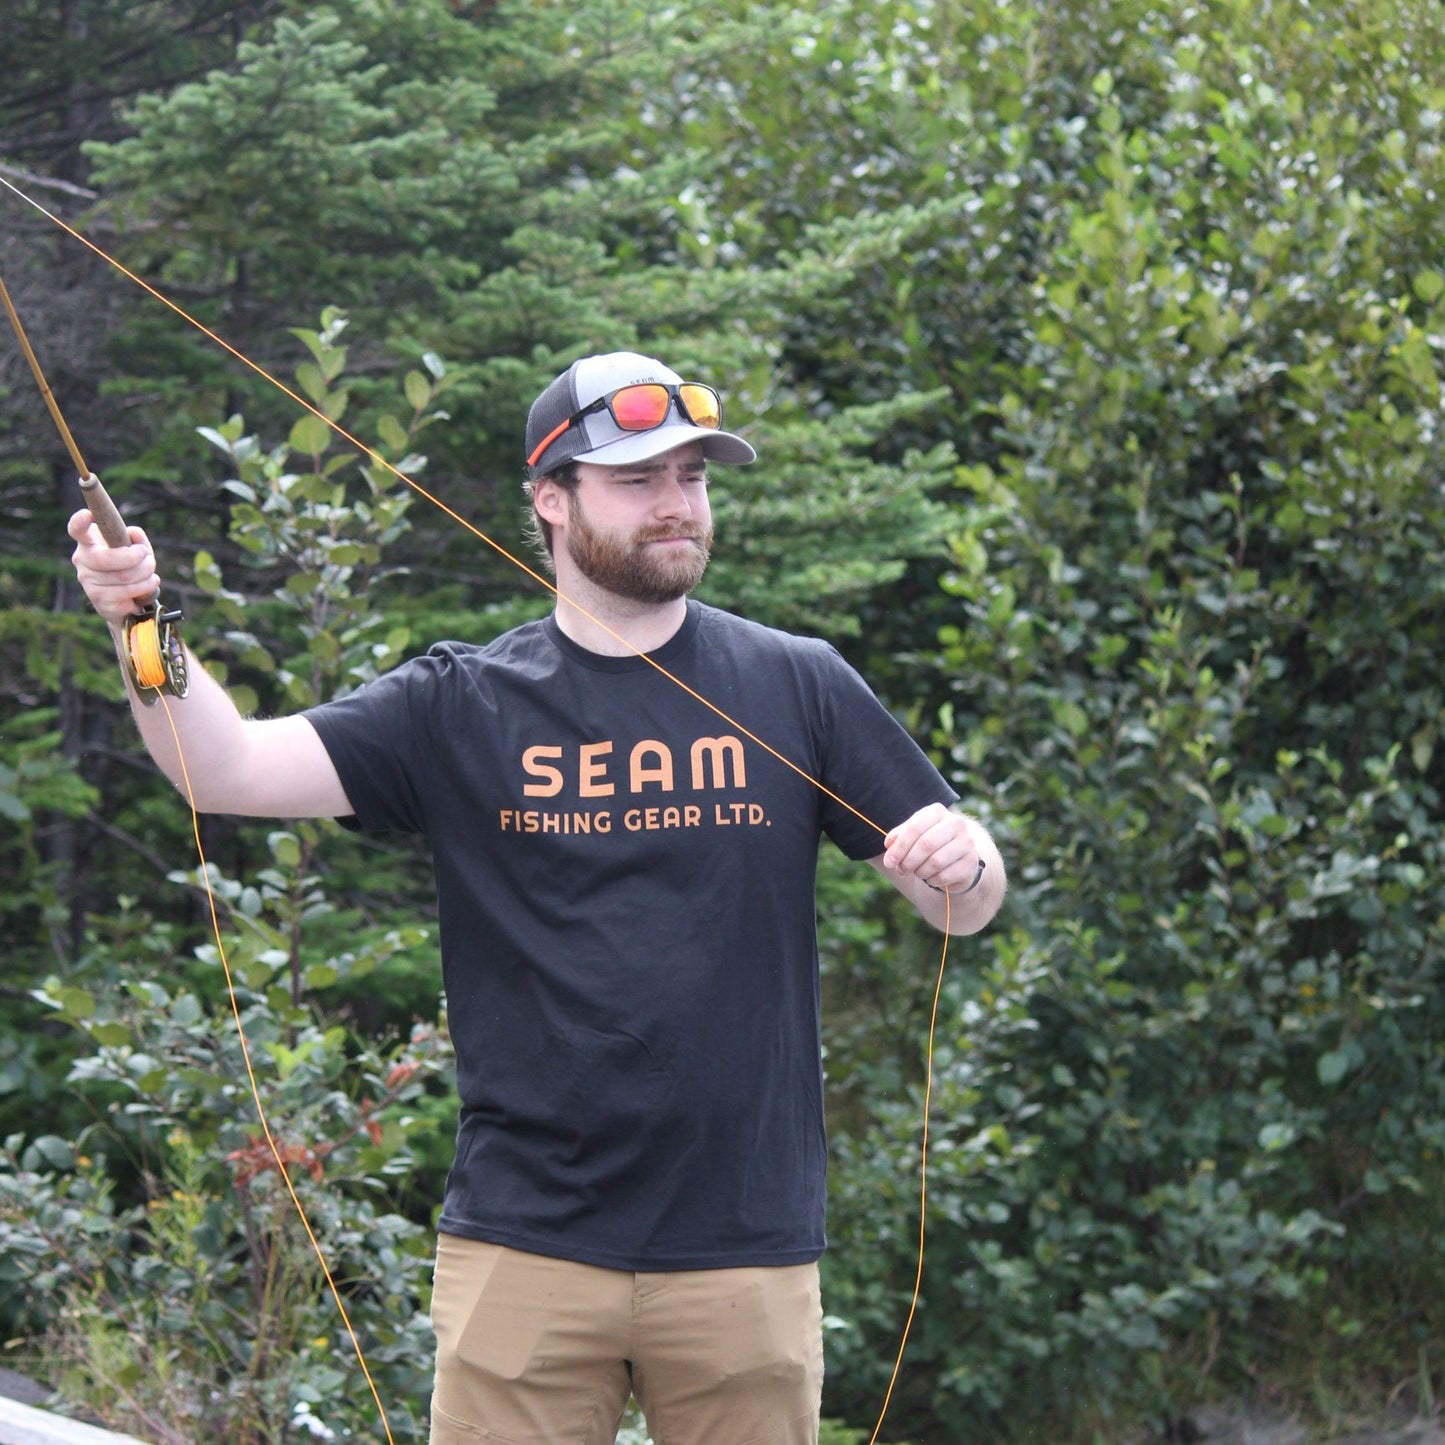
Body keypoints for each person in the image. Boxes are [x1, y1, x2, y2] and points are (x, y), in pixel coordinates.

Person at [68, 349, 1006, 1445]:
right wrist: (142, 623)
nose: (676, 504)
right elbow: (220, 767)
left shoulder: (796, 681)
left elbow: (965, 902)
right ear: (550, 500)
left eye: (693, 477)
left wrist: (961, 858)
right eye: (638, 478)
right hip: (523, 1248)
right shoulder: (459, 702)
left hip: (744, 1249)